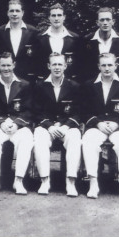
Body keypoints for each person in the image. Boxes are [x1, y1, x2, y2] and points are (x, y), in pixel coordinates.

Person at [81, 52, 119, 200]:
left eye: (110, 65)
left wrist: (117, 123)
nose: (107, 68)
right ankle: (93, 183)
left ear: (116, 66)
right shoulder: (89, 85)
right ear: (98, 66)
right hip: (97, 126)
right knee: (88, 141)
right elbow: (84, 110)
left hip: (118, 126)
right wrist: (97, 123)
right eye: (103, 65)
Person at [0, 52, 34, 195]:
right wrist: (2, 122)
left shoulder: (25, 85)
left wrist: (17, 123)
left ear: (14, 65)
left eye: (8, 65)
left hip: (19, 126)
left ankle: (18, 181)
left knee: (27, 139)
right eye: (3, 65)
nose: (6, 69)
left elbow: (29, 110)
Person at [32, 52, 82, 196]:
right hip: (47, 126)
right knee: (40, 138)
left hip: (67, 126)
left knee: (75, 137)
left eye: (60, 64)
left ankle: (70, 182)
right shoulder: (40, 86)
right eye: (54, 64)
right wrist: (50, 126)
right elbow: (36, 111)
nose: (57, 67)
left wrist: (66, 125)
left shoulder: (74, 86)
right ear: (49, 66)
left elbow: (78, 112)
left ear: (65, 66)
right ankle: (45, 181)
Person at [0, 0, 39, 82]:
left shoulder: (33, 32)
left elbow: (36, 58)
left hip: (27, 78)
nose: (14, 14)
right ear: (7, 13)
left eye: (17, 11)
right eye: (11, 11)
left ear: (22, 13)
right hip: (5, 78)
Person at [82, 7, 119, 80]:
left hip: (117, 84)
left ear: (113, 21)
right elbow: (84, 66)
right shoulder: (88, 40)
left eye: (108, 19)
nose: (105, 23)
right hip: (93, 85)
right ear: (97, 22)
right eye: (102, 20)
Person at [36, 3, 82, 80]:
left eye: (59, 15)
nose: (56, 18)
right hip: (45, 83)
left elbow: (78, 64)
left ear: (64, 17)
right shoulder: (40, 38)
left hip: (68, 83)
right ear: (49, 17)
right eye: (53, 15)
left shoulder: (75, 38)